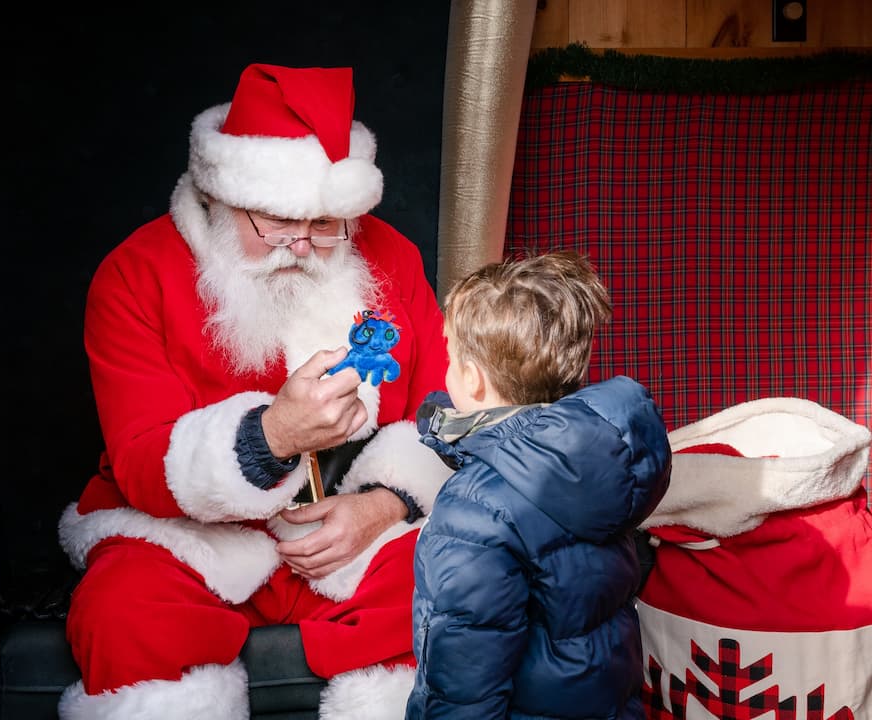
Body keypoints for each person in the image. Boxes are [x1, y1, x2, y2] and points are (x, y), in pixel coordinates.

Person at [56, 63, 452, 720]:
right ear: (220, 196)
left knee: (457, 579)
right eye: (274, 220)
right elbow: (139, 459)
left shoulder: (392, 258)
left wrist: (381, 506)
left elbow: (448, 411)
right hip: (184, 538)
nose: (300, 243)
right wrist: (272, 437)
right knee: (122, 611)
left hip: (351, 531)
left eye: (327, 223)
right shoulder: (135, 274)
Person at [406, 252, 672, 719]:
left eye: (451, 356)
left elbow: (463, 675)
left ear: (472, 378)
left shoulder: (476, 509)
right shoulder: (597, 464)